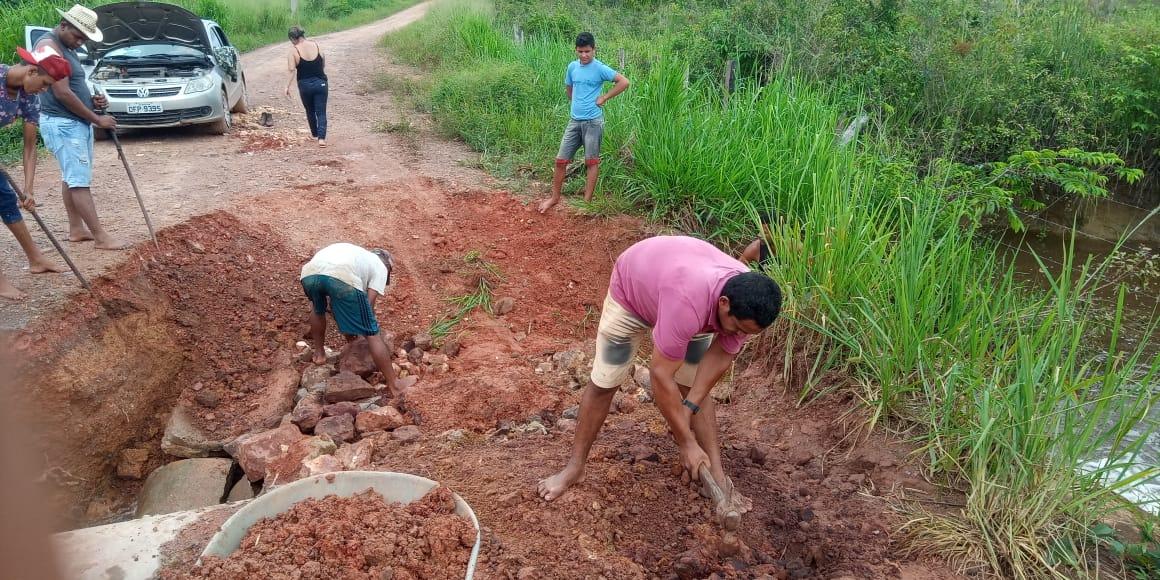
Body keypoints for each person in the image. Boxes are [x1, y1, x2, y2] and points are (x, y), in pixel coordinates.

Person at [538, 236, 782, 511]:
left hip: (683, 292)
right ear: (724, 303)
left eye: (745, 333)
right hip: (632, 297)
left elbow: (721, 355)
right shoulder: (689, 304)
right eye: (737, 328)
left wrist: (687, 408)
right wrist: (685, 441)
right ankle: (574, 468)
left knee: (691, 387)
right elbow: (660, 375)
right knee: (605, 382)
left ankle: (717, 474)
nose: (739, 335)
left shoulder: (749, 303)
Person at [34, 4, 126, 251]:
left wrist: (93, 103)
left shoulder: (65, 46)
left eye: (84, 38)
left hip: (73, 122)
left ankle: (76, 228)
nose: (80, 42)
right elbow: (62, 92)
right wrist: (98, 120)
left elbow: (73, 86)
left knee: (72, 176)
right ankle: (101, 237)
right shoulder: (48, 47)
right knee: (79, 181)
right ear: (64, 25)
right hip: (63, 123)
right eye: (78, 36)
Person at [0, 46, 71, 300]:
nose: (44, 90)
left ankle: (36, 259)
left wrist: (28, 189)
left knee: (7, 200)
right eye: (44, 83)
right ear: (31, 71)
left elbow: (30, 147)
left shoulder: (29, 97)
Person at [537, 32, 630, 213]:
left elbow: (624, 82)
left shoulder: (600, 68)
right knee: (560, 160)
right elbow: (569, 89)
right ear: (576, 50)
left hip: (593, 122)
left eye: (587, 51)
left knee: (591, 162)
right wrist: (577, 104)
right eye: (580, 51)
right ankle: (554, 198)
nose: (584, 55)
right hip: (575, 121)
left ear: (594, 50)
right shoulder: (572, 67)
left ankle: (586, 204)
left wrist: (604, 97)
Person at [300, 243, 399, 395]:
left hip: (309, 273)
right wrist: (363, 333)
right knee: (372, 331)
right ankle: (395, 384)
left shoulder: (357, 255)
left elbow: (336, 305)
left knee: (318, 309)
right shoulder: (381, 267)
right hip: (340, 274)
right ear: (387, 265)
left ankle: (319, 355)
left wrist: (349, 334)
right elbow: (368, 305)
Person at [284, 26, 329, 148]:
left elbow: (291, 70)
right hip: (321, 83)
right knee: (321, 112)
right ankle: (321, 139)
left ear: (293, 38)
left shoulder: (294, 51)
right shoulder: (317, 45)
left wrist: (286, 87)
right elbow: (323, 62)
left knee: (310, 110)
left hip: (305, 85)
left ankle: (314, 134)